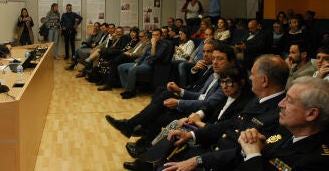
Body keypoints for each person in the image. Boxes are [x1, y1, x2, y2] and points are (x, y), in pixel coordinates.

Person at [159, 54, 288, 171]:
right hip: (214, 149)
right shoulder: (258, 100)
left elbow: (244, 152)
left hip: (223, 163)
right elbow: (230, 124)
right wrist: (192, 135)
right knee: (166, 160)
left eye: (253, 74)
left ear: (264, 80)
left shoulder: (279, 115)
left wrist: (199, 161)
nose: (250, 77)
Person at [237, 76, 329, 170]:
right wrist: (251, 143)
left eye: (289, 100)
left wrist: (253, 155)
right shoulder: (288, 129)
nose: (280, 104)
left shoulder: (318, 160)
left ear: (311, 114)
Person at [117, 28, 170, 99]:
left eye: (156, 35)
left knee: (132, 70)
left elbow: (153, 57)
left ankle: (129, 91)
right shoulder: (149, 44)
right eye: (153, 35)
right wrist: (137, 62)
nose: (154, 37)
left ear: (160, 36)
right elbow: (143, 55)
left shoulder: (163, 45)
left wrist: (153, 45)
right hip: (142, 62)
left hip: (150, 64)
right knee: (121, 67)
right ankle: (129, 89)